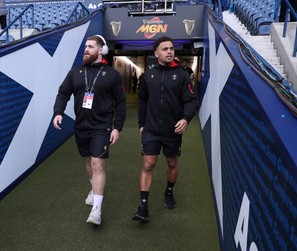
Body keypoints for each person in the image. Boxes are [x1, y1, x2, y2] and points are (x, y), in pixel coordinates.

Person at [53, 35, 126, 225]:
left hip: (101, 127)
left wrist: (116, 127)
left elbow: (120, 102)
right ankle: (93, 189)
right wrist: (58, 112)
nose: (86, 49)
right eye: (85, 46)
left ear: (101, 51)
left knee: (97, 164)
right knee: (88, 160)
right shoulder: (75, 72)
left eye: (91, 46)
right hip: (81, 126)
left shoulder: (111, 75)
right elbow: (63, 93)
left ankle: (97, 210)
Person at [132, 36, 196, 222]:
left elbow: (190, 101)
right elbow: (143, 101)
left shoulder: (182, 75)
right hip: (151, 130)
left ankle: (169, 192)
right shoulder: (148, 75)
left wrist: (185, 118)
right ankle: (143, 207)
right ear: (156, 53)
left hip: (172, 131)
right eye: (165, 49)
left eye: (171, 49)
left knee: (172, 164)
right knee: (148, 164)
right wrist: (141, 124)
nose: (170, 52)